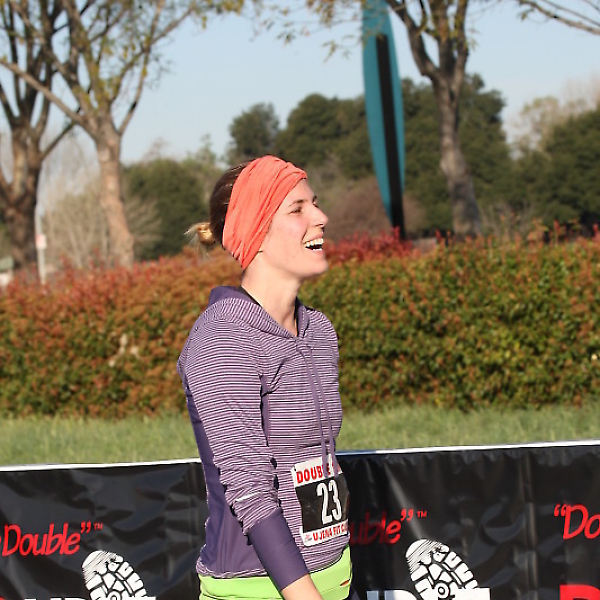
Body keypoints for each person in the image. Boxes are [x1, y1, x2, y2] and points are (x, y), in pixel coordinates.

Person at [177, 155, 357, 600]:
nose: (320, 217)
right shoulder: (223, 337)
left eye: (315, 203)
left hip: (336, 574)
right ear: (256, 233)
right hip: (259, 587)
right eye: (297, 209)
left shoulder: (319, 330)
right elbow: (249, 488)